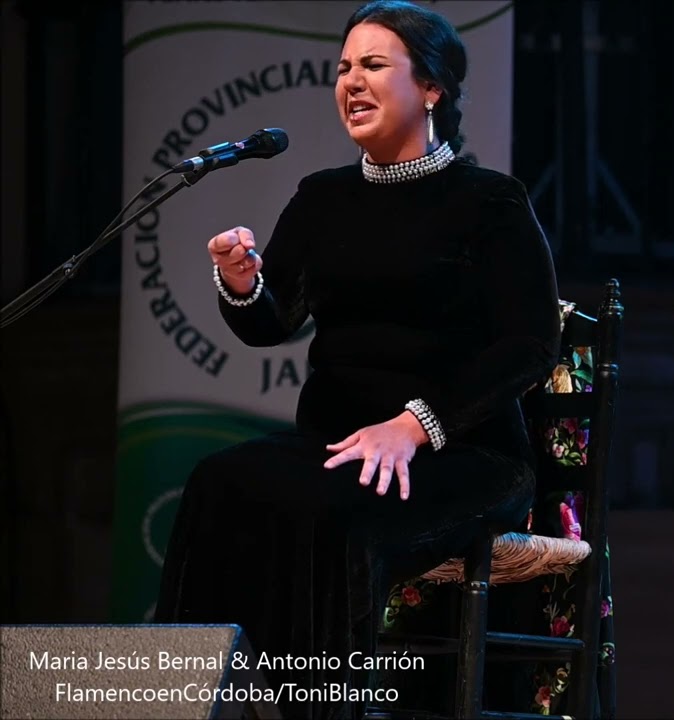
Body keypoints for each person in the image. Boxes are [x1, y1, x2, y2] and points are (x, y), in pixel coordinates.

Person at [154, 1, 561, 717]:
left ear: (431, 86)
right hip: (340, 444)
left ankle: (315, 709)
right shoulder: (323, 199)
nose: (351, 81)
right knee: (219, 481)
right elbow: (269, 323)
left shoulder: (491, 201)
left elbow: (529, 345)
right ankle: (195, 702)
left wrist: (413, 426)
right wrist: (243, 285)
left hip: (462, 452)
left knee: (330, 515)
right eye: (343, 68)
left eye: (374, 65)